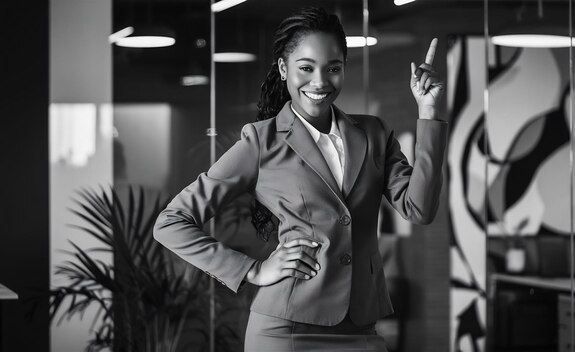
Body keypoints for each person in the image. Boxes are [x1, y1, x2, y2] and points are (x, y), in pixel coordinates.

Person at [153, 6, 447, 352]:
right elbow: (171, 222)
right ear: (283, 69)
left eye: (333, 68)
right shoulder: (261, 141)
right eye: (306, 68)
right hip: (286, 330)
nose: (320, 81)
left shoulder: (374, 133)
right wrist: (252, 271)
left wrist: (427, 113)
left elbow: (420, 209)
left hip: (361, 327)